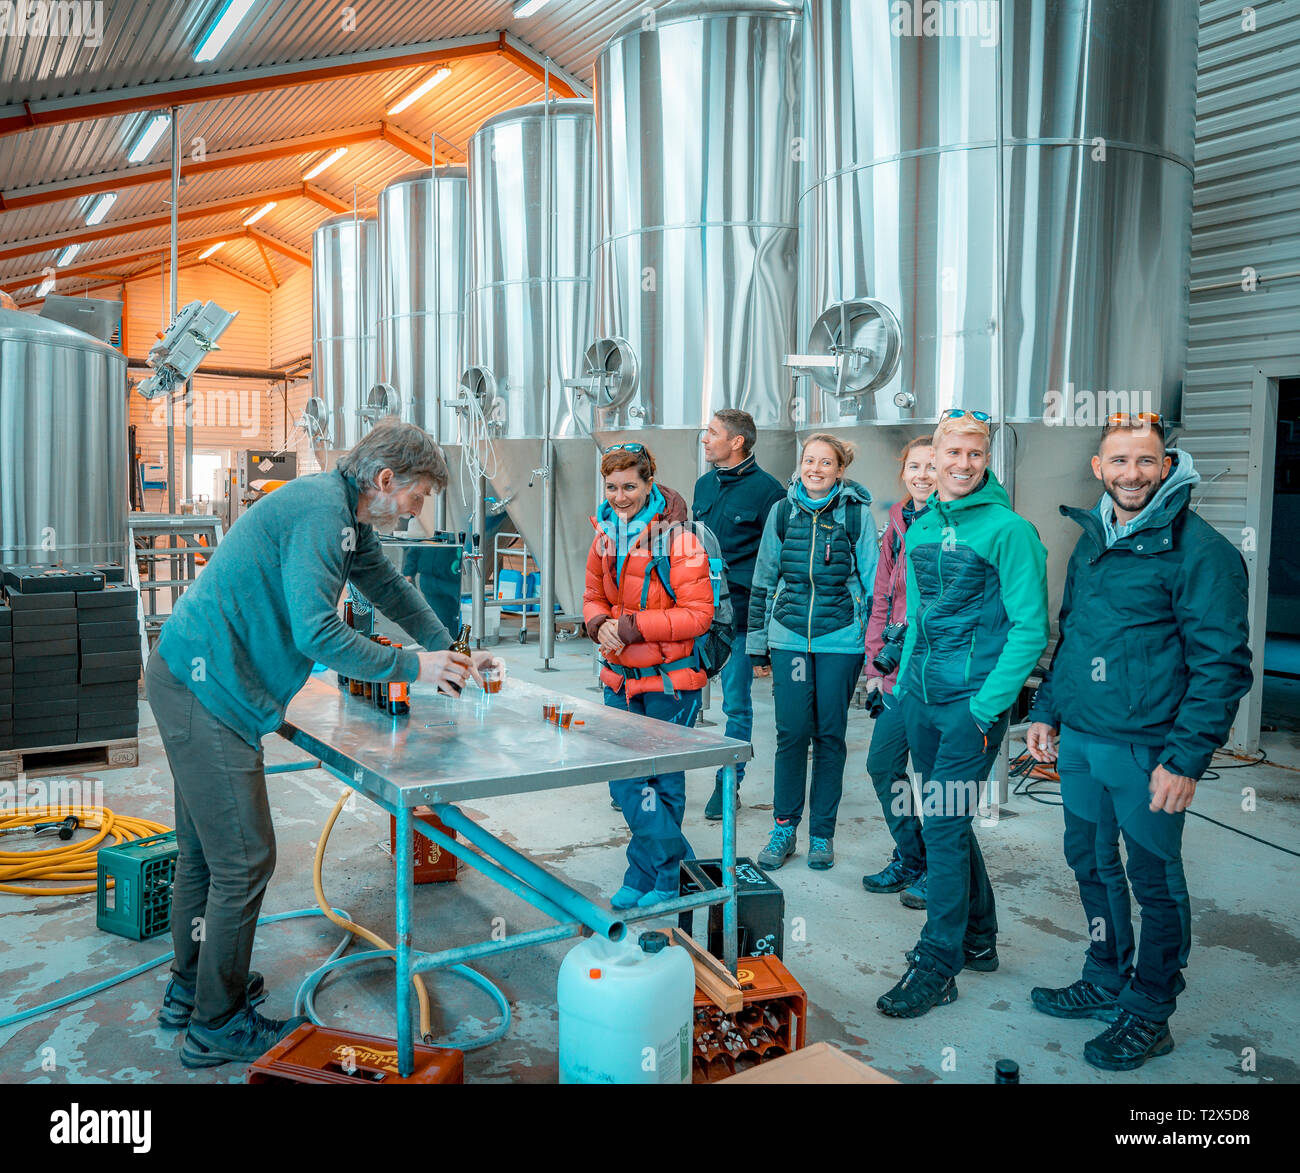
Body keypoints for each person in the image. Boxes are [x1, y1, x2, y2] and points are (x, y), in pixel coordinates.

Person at [145, 419, 502, 1068]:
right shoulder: (318, 512)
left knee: (205, 852)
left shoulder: (345, 516)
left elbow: (389, 588)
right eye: (418, 497)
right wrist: (415, 669)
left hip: (194, 675)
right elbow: (315, 633)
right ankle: (216, 1024)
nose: (418, 512)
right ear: (386, 480)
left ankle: (190, 992)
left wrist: (446, 649)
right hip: (208, 690)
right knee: (245, 857)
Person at [1025, 414, 1251, 1071]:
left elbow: (1223, 665)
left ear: (1167, 465)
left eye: (1145, 462)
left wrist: (1186, 757)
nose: (1132, 474)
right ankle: (1104, 975)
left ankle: (1151, 1011)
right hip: (1084, 743)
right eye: (1119, 461)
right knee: (1090, 863)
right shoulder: (1093, 538)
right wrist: (1047, 707)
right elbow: (1076, 636)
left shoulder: (1200, 550)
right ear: (1098, 467)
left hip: (1148, 749)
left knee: (1153, 881)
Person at [877, 408, 1048, 1018]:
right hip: (920, 700)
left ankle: (938, 963)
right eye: (954, 452)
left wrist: (983, 711)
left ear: (986, 460)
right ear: (937, 454)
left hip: (970, 709)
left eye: (976, 454)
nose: (963, 464)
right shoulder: (920, 529)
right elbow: (918, 618)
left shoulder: (1010, 530)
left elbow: (1031, 629)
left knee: (943, 828)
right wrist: (900, 684)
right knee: (948, 823)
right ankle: (979, 940)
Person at [583, 443, 714, 909]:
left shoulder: (681, 541)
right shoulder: (604, 536)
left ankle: (647, 875)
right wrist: (599, 625)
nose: (620, 496)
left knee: (663, 785)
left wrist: (632, 626)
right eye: (613, 487)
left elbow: (699, 615)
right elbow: (592, 596)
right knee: (624, 782)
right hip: (619, 678)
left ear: (649, 484)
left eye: (630, 487)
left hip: (671, 682)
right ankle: (674, 867)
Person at [746, 433, 877, 872]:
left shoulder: (856, 516)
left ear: (841, 470)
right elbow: (763, 579)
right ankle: (784, 828)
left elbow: (876, 586)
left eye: (826, 462)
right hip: (788, 639)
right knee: (791, 733)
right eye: (809, 460)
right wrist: (756, 644)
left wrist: (875, 649)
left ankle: (822, 833)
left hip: (840, 641)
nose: (815, 468)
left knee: (829, 737)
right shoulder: (782, 512)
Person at [692, 409, 786, 820]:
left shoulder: (769, 492)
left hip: (742, 618)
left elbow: (776, 563)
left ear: (737, 442)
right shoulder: (703, 485)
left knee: (736, 706)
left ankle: (728, 784)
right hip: (696, 614)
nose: (704, 439)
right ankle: (660, 779)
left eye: (713, 433)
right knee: (681, 699)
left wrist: (764, 635)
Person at [861, 436, 934, 906]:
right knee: (883, 764)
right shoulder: (897, 523)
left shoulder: (956, 525)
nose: (923, 474)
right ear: (902, 472)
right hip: (895, 672)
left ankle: (942, 873)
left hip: (935, 673)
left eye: (932, 465)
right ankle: (912, 857)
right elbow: (882, 599)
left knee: (936, 781)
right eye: (915, 466)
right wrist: (874, 665)